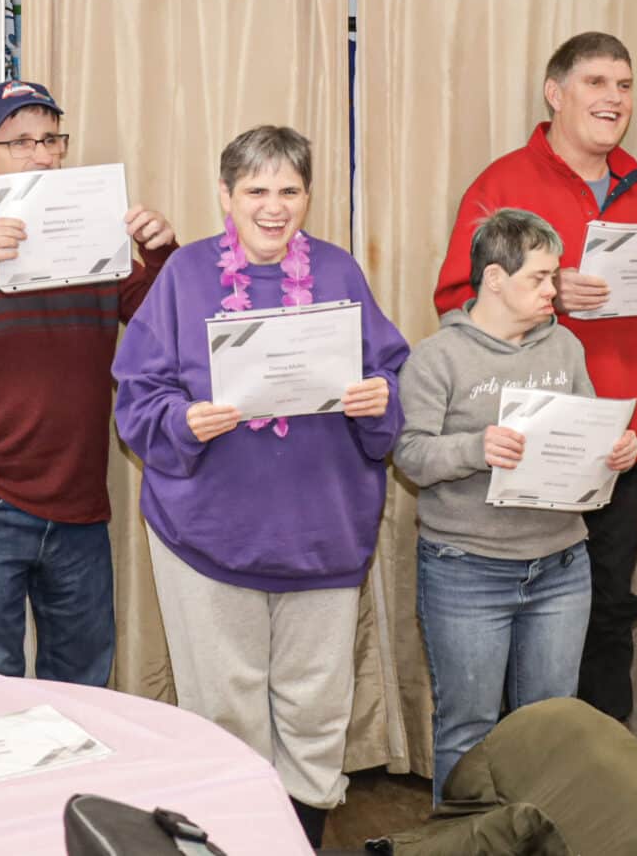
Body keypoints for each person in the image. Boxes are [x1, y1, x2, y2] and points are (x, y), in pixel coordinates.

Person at [113, 126, 408, 848]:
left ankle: (299, 840)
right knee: (226, 712)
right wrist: (184, 420)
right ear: (225, 195)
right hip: (209, 536)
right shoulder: (184, 276)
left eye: (289, 190)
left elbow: (391, 383)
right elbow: (135, 398)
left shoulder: (339, 274)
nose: (273, 207)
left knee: (315, 712)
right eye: (256, 190)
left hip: (324, 534)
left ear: (307, 196)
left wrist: (379, 401)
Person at [433, 32, 637, 724]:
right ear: (556, 93)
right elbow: (453, 303)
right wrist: (551, 295)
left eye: (624, 84)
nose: (613, 97)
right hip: (530, 439)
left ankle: (602, 773)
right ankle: (515, 771)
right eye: (596, 82)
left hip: (619, 440)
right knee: (521, 615)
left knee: (610, 611)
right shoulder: (500, 185)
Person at [0, 79, 176, 686]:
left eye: (51, 139)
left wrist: (159, 254)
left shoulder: (97, 238)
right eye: (21, 141)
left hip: (80, 503)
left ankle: (71, 785)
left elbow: (163, 328)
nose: (43, 154)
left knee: (82, 680)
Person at [397, 209, 637, 803]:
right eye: (539, 278)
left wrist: (614, 450)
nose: (554, 290)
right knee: (468, 729)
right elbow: (408, 455)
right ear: (495, 280)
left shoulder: (565, 346)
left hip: (560, 565)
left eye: (553, 276)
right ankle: (465, 843)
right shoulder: (437, 357)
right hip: (466, 569)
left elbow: (584, 430)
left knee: (551, 730)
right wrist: (475, 448)